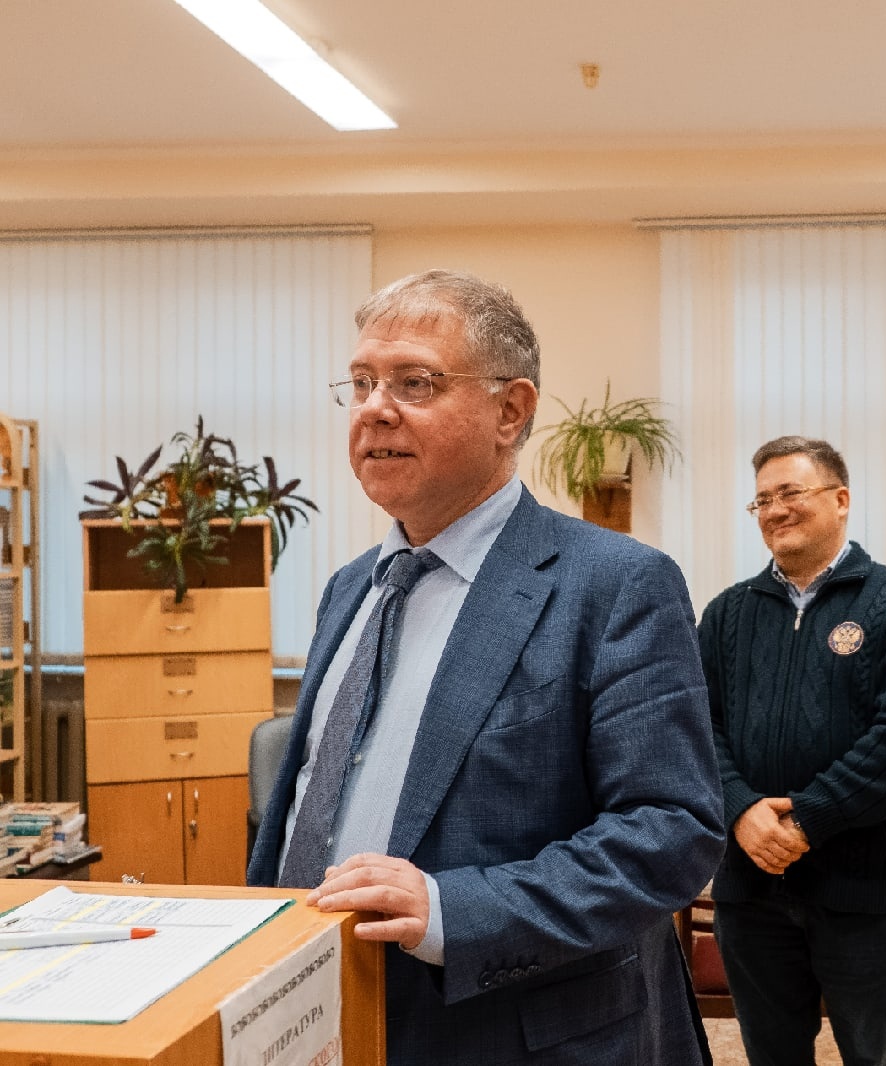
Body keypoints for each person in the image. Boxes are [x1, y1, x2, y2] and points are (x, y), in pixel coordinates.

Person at [247, 269, 724, 1065]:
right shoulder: (349, 588)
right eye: (361, 382)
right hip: (323, 1012)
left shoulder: (614, 584)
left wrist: (450, 911)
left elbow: (669, 832)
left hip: (507, 1032)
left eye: (415, 382)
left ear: (511, 411)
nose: (373, 408)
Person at [697, 435, 886, 1066]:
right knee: (771, 1054)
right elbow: (698, 728)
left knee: (872, 1054)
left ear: (841, 499)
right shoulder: (725, 615)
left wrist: (807, 819)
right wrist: (742, 810)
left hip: (861, 889)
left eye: (791, 492)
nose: (775, 509)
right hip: (750, 887)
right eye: (762, 500)